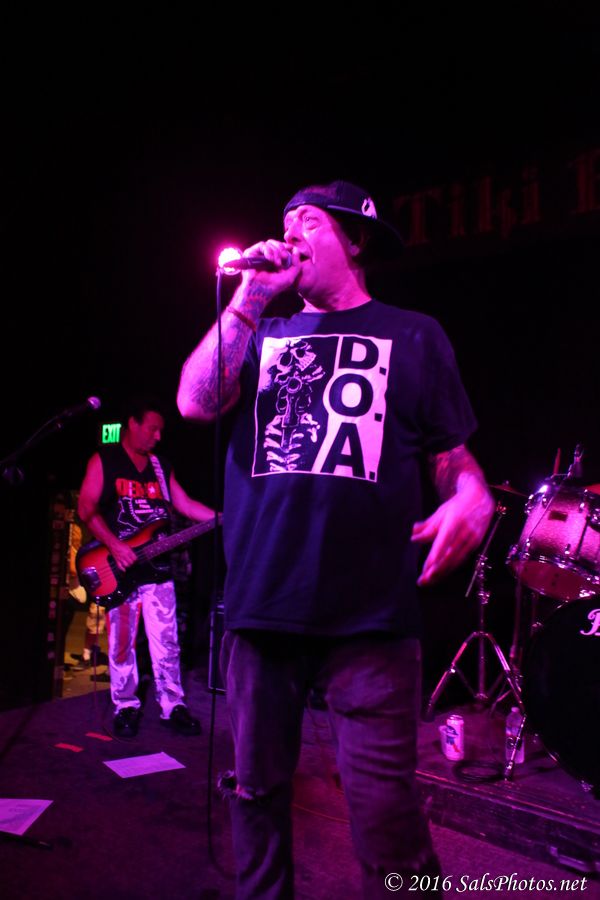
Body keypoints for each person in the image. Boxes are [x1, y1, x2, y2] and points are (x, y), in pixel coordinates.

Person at [177, 180, 494, 897]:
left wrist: (472, 493)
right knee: (255, 801)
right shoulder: (259, 333)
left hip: (372, 620)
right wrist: (250, 296)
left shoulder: (414, 334)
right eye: (284, 220)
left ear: (355, 240)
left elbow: (451, 455)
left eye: (310, 222)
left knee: (389, 828)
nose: (289, 233)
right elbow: (194, 402)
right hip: (264, 607)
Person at [78, 395, 215, 738]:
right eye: (152, 429)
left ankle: (173, 705)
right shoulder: (105, 460)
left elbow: (184, 504)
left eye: (160, 431)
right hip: (119, 569)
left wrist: (221, 517)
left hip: (158, 569)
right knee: (122, 643)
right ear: (133, 424)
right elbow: (85, 508)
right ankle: (125, 706)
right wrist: (115, 545)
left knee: (167, 641)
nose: (158, 436)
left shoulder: (161, 467)